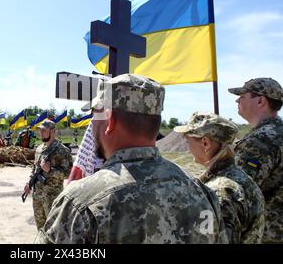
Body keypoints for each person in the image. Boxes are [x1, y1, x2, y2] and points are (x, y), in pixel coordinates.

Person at [35, 74, 227, 244]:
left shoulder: (80, 202)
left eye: (95, 116)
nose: (92, 126)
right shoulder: (203, 193)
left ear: (109, 122)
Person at [174, 112, 265, 243]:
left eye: (188, 139)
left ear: (205, 143)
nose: (187, 146)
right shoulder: (243, 179)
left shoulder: (218, 192)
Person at [228, 78, 283, 243]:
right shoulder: (277, 132)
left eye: (242, 96)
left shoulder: (262, 140)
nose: (237, 100)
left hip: (267, 233)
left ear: (260, 101)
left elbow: (239, 192)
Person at [23, 120, 73, 230]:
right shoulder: (39, 149)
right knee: (40, 229)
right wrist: (29, 183)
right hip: (38, 196)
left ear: (53, 131)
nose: (41, 133)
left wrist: (51, 170)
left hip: (52, 197)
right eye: (40, 130)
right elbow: (35, 169)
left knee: (53, 230)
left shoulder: (62, 150)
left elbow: (69, 173)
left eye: (44, 131)